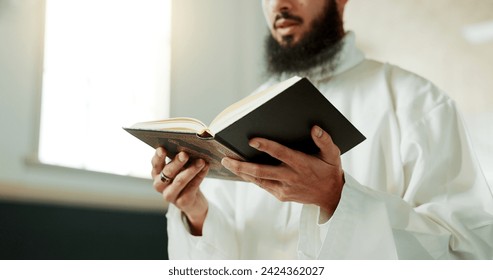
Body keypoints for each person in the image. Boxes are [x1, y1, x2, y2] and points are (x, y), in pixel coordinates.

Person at [150, 0, 493, 259]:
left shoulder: (419, 103)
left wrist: (338, 198)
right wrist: (195, 214)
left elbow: (468, 252)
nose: (280, 5)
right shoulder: (238, 119)